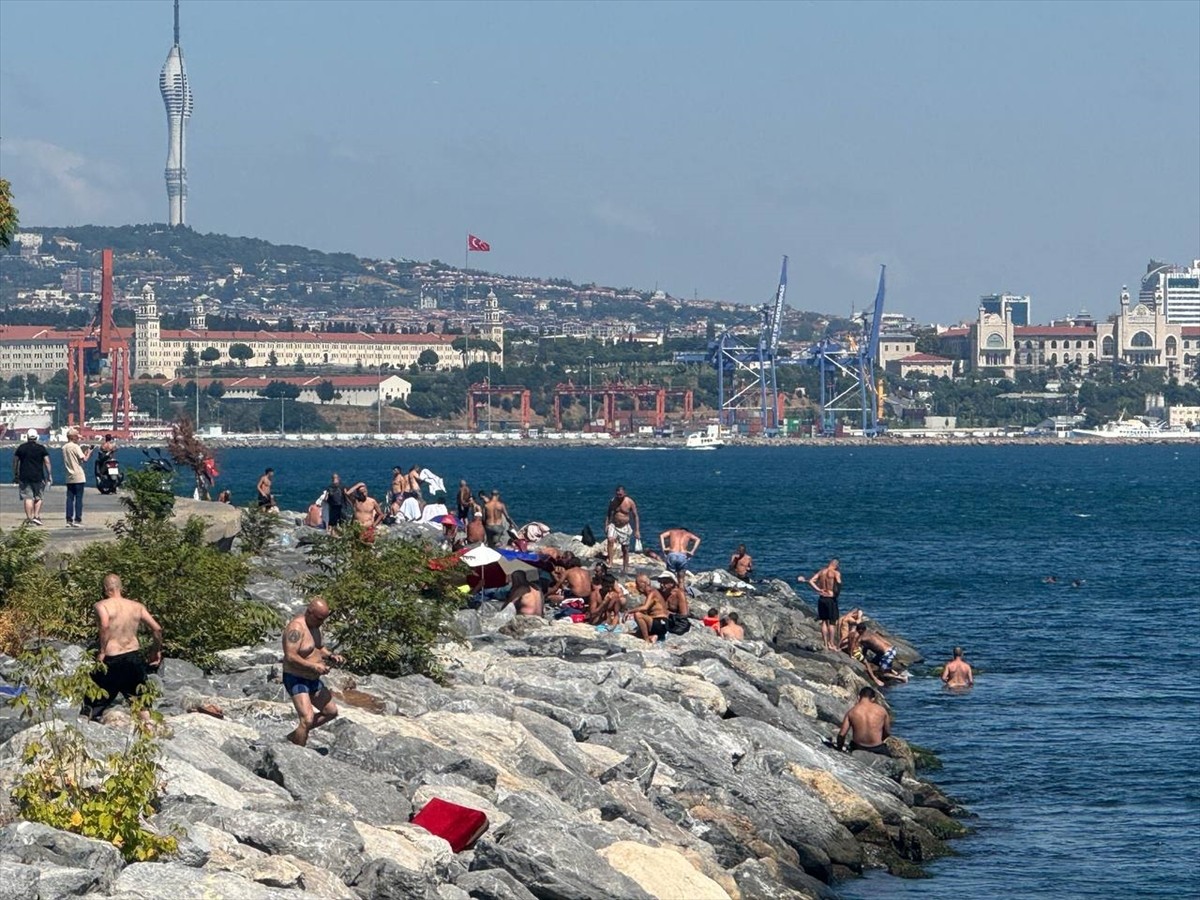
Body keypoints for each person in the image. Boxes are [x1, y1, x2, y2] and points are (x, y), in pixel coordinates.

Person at [81, 574, 163, 722]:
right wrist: (155, 650)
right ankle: (149, 734)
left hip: (111, 658)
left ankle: (83, 731)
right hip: (133, 656)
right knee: (141, 703)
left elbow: (105, 626)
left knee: (92, 701)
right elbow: (157, 629)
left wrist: (102, 651)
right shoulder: (137, 607)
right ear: (121, 587)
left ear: (106, 589)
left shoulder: (101, 606)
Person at [282, 598, 343, 747]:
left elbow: (319, 647)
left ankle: (295, 736)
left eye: (324, 619)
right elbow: (290, 656)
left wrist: (330, 656)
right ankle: (298, 753)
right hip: (296, 678)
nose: (321, 623)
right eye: (319, 619)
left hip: (313, 679)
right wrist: (313, 666)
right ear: (309, 612)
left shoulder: (315, 626)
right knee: (307, 719)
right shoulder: (296, 629)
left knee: (331, 712)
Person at [12, 428, 52, 526]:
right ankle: (36, 516)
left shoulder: (21, 448)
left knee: (28, 498)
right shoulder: (41, 448)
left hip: (24, 476)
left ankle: (29, 518)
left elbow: (15, 461)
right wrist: (49, 475)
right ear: (36, 437)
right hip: (38, 476)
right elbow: (47, 461)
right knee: (39, 497)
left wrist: (16, 474)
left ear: (27, 437)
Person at [836, 686, 891, 755]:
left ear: (859, 697)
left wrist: (839, 749)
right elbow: (887, 732)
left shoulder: (851, 712)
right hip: (877, 748)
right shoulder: (882, 711)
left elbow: (842, 734)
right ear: (873, 699)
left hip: (858, 747)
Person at [848, 622, 903, 687]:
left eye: (858, 631)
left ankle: (901, 678)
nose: (857, 632)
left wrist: (850, 653)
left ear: (861, 630)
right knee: (874, 664)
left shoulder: (862, 638)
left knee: (882, 673)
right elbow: (866, 648)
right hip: (891, 649)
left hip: (887, 653)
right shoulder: (870, 633)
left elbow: (853, 644)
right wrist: (864, 656)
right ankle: (895, 673)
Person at [805, 558, 842, 652]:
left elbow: (810, 581)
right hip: (830, 598)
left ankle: (825, 644)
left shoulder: (822, 572)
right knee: (832, 622)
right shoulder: (835, 573)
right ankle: (831, 644)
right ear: (836, 565)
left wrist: (818, 589)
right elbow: (838, 584)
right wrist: (835, 594)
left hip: (822, 598)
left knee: (824, 621)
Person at [61, 428, 93, 528]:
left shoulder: (64, 447)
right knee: (79, 498)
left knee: (69, 498)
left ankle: (68, 519)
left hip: (69, 476)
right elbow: (85, 459)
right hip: (78, 475)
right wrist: (89, 452)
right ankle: (77, 519)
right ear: (74, 437)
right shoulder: (76, 447)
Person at [605, 486, 640, 574]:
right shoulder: (613, 501)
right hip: (614, 525)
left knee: (625, 548)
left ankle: (625, 566)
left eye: (620, 494)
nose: (619, 496)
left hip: (624, 527)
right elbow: (608, 513)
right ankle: (610, 562)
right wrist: (606, 525)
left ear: (624, 493)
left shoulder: (630, 502)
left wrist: (637, 530)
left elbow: (636, 516)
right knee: (610, 540)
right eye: (617, 494)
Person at [630, 573, 669, 644]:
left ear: (643, 584)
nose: (637, 587)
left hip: (660, 623)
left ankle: (646, 640)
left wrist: (629, 612)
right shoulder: (652, 593)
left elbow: (645, 607)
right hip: (660, 623)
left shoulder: (652, 592)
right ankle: (654, 636)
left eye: (637, 585)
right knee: (634, 634)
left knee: (638, 614)